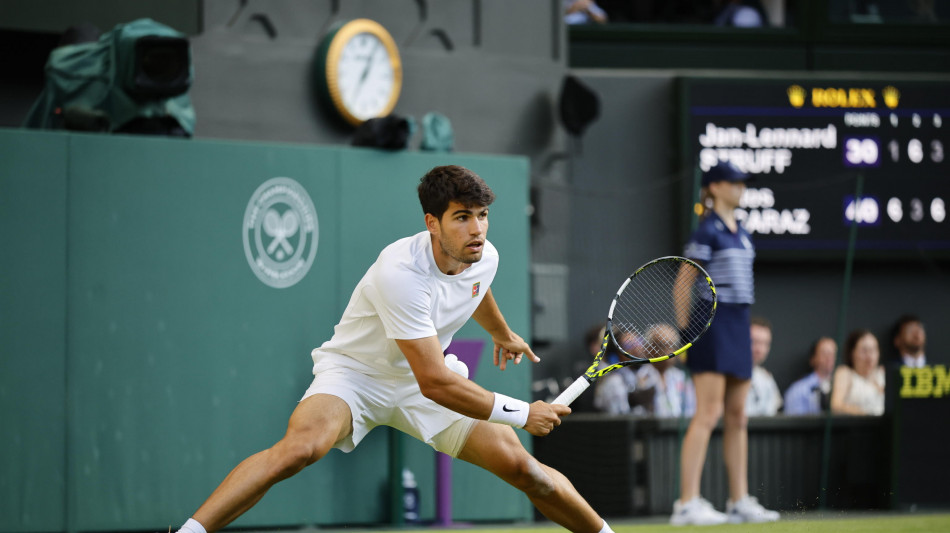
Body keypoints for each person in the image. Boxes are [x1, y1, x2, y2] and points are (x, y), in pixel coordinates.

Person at [173, 166, 617, 533]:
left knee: (527, 471)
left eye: (483, 216)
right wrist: (522, 413)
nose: (477, 229)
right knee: (299, 450)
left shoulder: (483, 254)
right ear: (432, 223)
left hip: (423, 374)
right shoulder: (400, 273)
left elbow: (475, 288)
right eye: (462, 217)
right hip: (357, 375)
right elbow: (435, 383)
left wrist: (501, 332)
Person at [671, 161, 779, 526]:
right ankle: (687, 503)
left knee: (737, 417)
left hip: (739, 324)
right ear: (714, 187)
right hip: (711, 325)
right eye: (733, 182)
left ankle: (738, 501)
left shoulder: (742, 232)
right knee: (708, 413)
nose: (740, 188)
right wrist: (686, 336)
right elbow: (683, 284)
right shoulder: (706, 231)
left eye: (742, 183)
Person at [830, 328, 885, 416]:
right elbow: (836, 405)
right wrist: (867, 415)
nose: (870, 357)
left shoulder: (883, 374)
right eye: (864, 351)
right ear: (852, 353)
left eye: (873, 350)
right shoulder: (845, 373)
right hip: (860, 423)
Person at [783, 336, 837, 415]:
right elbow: (794, 421)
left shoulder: (842, 387)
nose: (829, 358)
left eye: (833, 353)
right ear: (813, 358)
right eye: (824, 353)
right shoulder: (798, 390)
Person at [745, 316, 782, 416]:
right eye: (754, 342)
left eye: (765, 343)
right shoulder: (722, 377)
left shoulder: (766, 379)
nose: (759, 349)